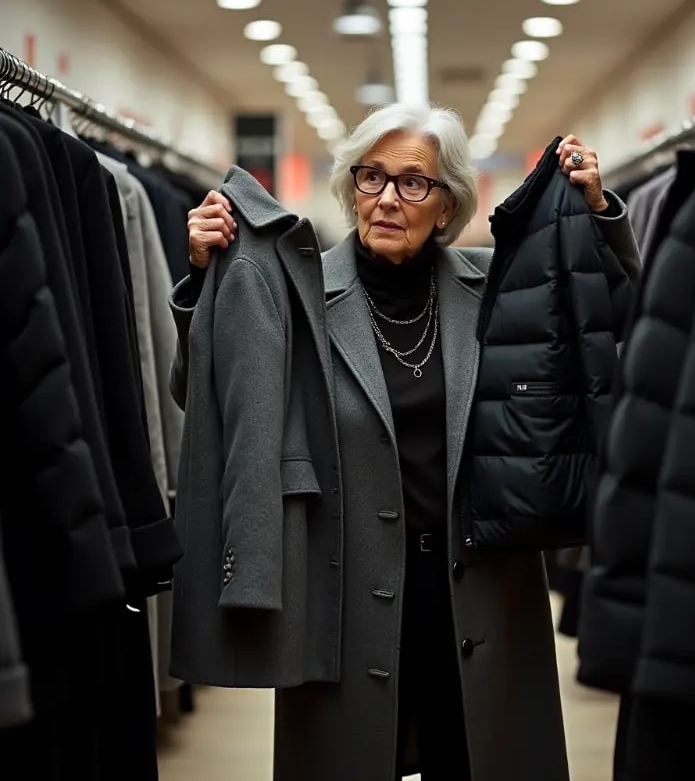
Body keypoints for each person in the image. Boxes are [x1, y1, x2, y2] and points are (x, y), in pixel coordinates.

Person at [172, 102, 640, 781]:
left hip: (481, 597)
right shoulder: (294, 293)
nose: (387, 198)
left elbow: (619, 335)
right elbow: (205, 394)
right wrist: (203, 277)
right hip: (345, 603)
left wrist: (600, 214)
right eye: (371, 178)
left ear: (446, 205)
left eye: (412, 183)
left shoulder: (499, 292)